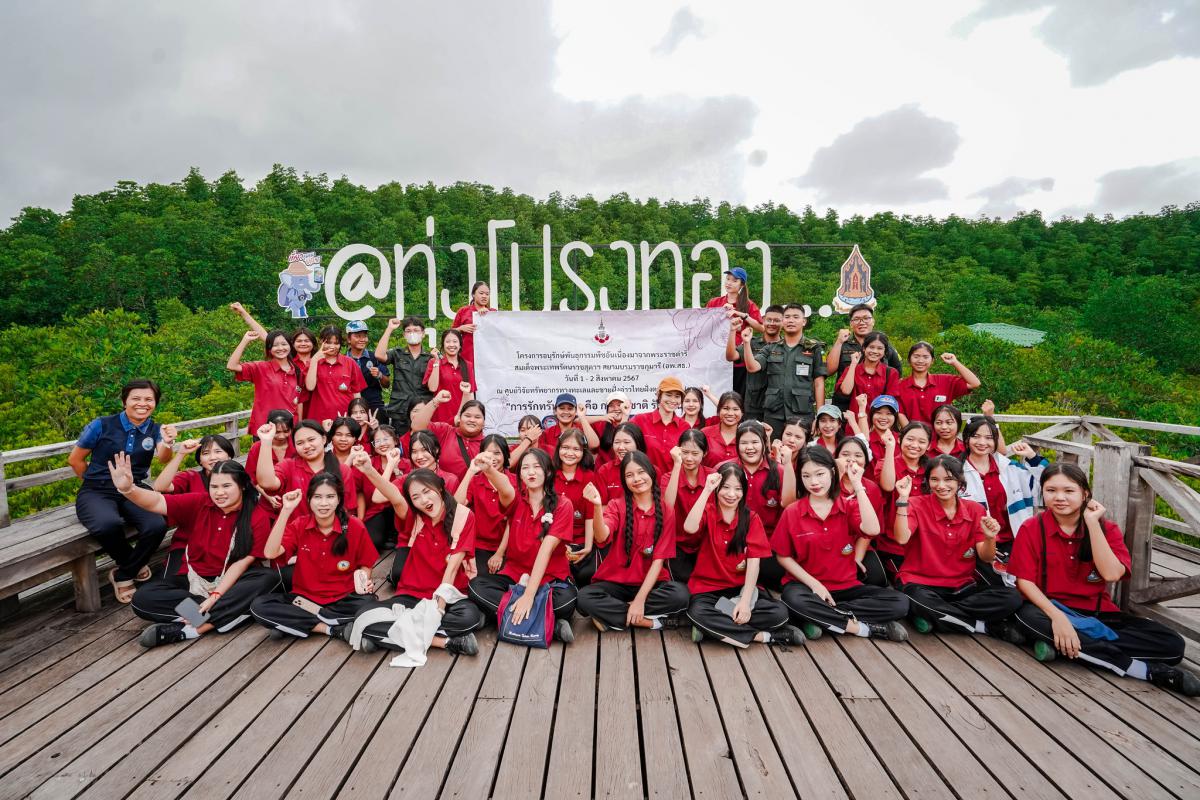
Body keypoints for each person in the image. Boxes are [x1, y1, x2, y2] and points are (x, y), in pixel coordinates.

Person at [1008, 464, 1200, 695]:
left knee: (1172, 646)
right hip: (1050, 610)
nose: (1059, 497)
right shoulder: (1032, 528)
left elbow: (1111, 574)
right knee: (1025, 616)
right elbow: (1025, 582)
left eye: (1069, 491)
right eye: (1051, 490)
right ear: (1043, 492)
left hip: (1098, 615)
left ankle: (1065, 646)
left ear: (1085, 494)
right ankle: (1142, 670)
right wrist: (1059, 618)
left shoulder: (1106, 529)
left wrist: (1092, 524)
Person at [110, 458, 280, 646]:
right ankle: (223, 616)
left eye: (226, 486)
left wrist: (216, 596)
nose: (219, 492)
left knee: (268, 578)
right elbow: (157, 501)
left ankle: (197, 627)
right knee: (143, 598)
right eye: (214, 486)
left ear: (243, 486)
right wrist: (129, 489)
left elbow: (242, 563)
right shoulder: (200, 502)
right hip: (193, 580)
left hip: (232, 583)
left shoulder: (256, 515)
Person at [351, 459, 484, 655]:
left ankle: (385, 637)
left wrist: (437, 611)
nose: (423, 500)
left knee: (469, 617)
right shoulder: (414, 517)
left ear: (440, 488)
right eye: (415, 497)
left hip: (447, 596)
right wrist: (369, 470)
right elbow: (395, 496)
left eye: (427, 491)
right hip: (411, 595)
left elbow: (453, 568)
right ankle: (446, 642)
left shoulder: (463, 516)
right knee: (363, 615)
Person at [773, 448, 909, 641]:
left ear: (832, 472)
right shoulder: (793, 511)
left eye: (820, 474)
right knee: (793, 600)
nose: (814, 482)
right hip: (806, 587)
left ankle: (821, 617)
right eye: (806, 476)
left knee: (900, 602)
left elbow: (872, 530)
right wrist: (814, 584)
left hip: (847, 587)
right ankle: (863, 628)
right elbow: (783, 556)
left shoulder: (847, 506)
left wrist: (858, 485)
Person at [69, 379, 175, 604]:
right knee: (107, 524)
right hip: (97, 490)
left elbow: (164, 458)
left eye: (149, 399)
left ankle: (124, 574)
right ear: (124, 400)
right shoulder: (101, 425)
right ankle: (132, 563)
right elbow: (75, 460)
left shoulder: (155, 429)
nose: (142, 403)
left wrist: (168, 442)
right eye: (136, 398)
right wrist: (96, 482)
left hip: (134, 488)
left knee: (157, 525)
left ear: (155, 403)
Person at [892, 457, 1024, 636]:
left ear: (960, 480)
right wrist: (903, 499)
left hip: (961, 587)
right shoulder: (916, 503)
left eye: (948, 479)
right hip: (919, 584)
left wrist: (989, 537)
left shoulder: (975, 509)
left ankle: (939, 614)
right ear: (927, 481)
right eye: (934, 479)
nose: (941, 485)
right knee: (916, 599)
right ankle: (983, 626)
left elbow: (986, 556)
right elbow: (901, 538)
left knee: (1012, 598)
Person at [467, 448, 578, 644]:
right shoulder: (516, 499)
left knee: (566, 602)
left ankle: (503, 616)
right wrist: (489, 470)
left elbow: (545, 551)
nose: (531, 472)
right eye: (525, 468)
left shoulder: (563, 505)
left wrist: (528, 595)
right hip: (515, 575)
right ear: (519, 475)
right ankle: (550, 625)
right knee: (476, 587)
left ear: (548, 472)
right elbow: (505, 488)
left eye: (537, 467)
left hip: (549, 579)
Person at [683, 464, 801, 647]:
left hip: (741, 589)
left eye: (738, 489)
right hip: (708, 590)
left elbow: (754, 564)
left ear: (744, 491)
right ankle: (765, 637)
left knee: (779, 613)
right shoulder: (708, 511)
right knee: (697, 612)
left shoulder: (751, 518)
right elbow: (689, 527)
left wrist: (745, 603)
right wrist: (707, 490)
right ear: (717, 488)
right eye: (726, 487)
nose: (732, 494)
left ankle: (714, 630)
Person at [250, 475, 379, 641]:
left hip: (344, 598)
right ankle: (332, 629)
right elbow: (270, 553)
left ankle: (294, 624)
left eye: (330, 497)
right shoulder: (299, 525)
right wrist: (286, 511)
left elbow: (366, 564)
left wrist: (364, 582)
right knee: (259, 606)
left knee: (370, 605)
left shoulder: (354, 525)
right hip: (305, 602)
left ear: (339, 499)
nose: (323, 503)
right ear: (309, 499)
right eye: (317, 497)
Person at [579, 451, 690, 631]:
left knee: (680, 595)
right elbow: (601, 536)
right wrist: (597, 506)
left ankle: (613, 617)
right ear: (624, 481)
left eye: (641, 472)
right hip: (616, 583)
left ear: (651, 473)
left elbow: (658, 561)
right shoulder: (616, 505)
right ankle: (650, 622)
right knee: (584, 598)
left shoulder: (665, 510)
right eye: (629, 475)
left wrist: (639, 601)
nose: (637, 479)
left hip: (652, 584)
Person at [960, 417, 1046, 584]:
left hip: (1013, 540)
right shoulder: (957, 472)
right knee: (998, 587)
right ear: (966, 438)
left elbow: (1046, 483)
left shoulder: (1011, 468)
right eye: (976, 436)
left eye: (989, 438)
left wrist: (1032, 456)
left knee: (1029, 583)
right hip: (977, 545)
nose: (982, 442)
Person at [742, 304, 826, 440]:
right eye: (787, 317)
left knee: (802, 450)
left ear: (804, 321)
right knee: (772, 449)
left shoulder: (814, 348)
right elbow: (752, 367)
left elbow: (819, 383)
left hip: (802, 413)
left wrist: (820, 415)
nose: (791, 320)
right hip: (774, 413)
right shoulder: (771, 348)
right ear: (782, 321)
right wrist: (746, 343)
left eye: (795, 317)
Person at [253, 420, 358, 515]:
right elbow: (266, 483)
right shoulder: (288, 466)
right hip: (294, 529)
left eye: (311, 440)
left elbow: (347, 510)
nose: (307, 446)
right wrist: (266, 441)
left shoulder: (343, 470)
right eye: (300, 443)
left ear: (324, 439)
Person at [453, 434, 517, 576]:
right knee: (477, 578)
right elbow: (457, 505)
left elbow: (513, 521)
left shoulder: (515, 481)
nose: (492, 458)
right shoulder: (475, 481)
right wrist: (471, 470)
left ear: (505, 455)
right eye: (487, 453)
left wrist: (499, 553)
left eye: (497, 453)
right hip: (480, 545)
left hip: (508, 547)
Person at [825, 304, 902, 413]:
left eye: (866, 318)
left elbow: (896, 376)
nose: (862, 322)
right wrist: (839, 341)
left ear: (873, 321)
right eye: (856, 319)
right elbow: (828, 370)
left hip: (876, 408)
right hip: (844, 405)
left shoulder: (886, 346)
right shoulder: (843, 344)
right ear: (851, 323)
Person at [662, 430, 714, 583]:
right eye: (684, 452)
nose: (689, 458)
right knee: (682, 583)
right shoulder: (668, 477)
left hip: (706, 545)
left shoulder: (712, 477)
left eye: (695, 453)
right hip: (677, 545)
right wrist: (677, 464)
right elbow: (667, 506)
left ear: (704, 453)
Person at [227, 329, 304, 431]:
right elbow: (232, 366)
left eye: (284, 344)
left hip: (289, 429)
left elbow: (299, 402)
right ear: (269, 349)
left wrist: (300, 426)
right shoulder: (261, 367)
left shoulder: (297, 371)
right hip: (264, 428)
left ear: (290, 346)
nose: (280, 348)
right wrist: (245, 340)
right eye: (275, 345)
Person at [552, 429, 600, 585]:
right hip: (553, 539)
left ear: (583, 452)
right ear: (558, 448)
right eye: (565, 447)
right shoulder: (549, 475)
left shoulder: (589, 476)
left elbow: (590, 514)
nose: (570, 453)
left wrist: (588, 546)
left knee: (587, 573)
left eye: (576, 449)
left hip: (580, 539)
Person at [707, 267, 764, 396]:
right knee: (718, 395)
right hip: (717, 358)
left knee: (737, 397)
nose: (729, 283)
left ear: (741, 285)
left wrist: (742, 314)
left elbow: (761, 327)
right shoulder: (715, 302)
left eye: (734, 280)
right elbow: (704, 324)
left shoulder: (748, 304)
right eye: (727, 279)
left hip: (738, 361)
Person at [374, 316, 433, 437]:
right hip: (400, 410)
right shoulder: (397, 353)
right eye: (408, 331)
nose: (412, 333)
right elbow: (379, 355)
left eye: (416, 330)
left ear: (423, 334)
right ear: (404, 335)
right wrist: (389, 329)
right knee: (401, 444)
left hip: (423, 410)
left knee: (423, 442)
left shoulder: (430, 358)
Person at [896, 343, 979, 426]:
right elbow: (900, 413)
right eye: (916, 356)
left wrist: (954, 362)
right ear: (909, 360)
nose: (920, 361)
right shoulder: (900, 386)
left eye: (925, 357)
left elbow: (974, 383)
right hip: (913, 433)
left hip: (942, 432)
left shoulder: (945, 381)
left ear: (932, 360)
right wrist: (912, 432)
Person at [409, 394, 485, 482]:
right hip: (443, 488)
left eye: (477, 417)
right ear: (459, 418)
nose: (472, 420)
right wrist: (435, 401)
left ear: (484, 422)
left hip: (473, 490)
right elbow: (416, 427)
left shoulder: (487, 444)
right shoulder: (445, 431)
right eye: (467, 416)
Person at [305, 325, 366, 424]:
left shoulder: (350, 363)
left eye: (336, 343)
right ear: (321, 341)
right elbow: (310, 386)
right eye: (328, 342)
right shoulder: (313, 362)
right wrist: (315, 360)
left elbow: (357, 394)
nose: (332, 346)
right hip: (319, 418)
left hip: (345, 418)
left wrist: (358, 416)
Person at [631, 376, 691, 478]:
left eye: (677, 396)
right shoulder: (639, 420)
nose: (673, 400)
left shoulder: (685, 427)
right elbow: (624, 440)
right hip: (645, 482)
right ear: (659, 395)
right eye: (668, 395)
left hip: (674, 482)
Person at [359, 425, 407, 550]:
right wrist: (390, 464)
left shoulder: (407, 464)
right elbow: (372, 495)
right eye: (377, 441)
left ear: (395, 441)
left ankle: (394, 535)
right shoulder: (368, 464)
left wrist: (396, 469)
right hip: (376, 512)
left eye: (386, 439)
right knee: (372, 542)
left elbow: (403, 494)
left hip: (400, 513)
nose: (382, 444)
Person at [738, 304, 783, 423]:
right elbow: (732, 356)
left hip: (777, 407)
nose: (772, 323)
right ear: (763, 320)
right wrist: (734, 332)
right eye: (769, 320)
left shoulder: (786, 347)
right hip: (754, 405)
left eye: (776, 320)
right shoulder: (752, 342)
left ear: (783, 322)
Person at [423, 329, 475, 426]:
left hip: (460, 416)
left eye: (455, 341)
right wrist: (437, 361)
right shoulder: (434, 362)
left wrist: (467, 416)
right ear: (443, 345)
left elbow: (470, 394)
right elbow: (433, 388)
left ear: (460, 344)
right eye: (447, 341)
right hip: (439, 416)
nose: (451, 345)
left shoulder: (467, 365)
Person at [836, 332, 899, 411]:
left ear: (884, 351)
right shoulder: (851, 369)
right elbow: (846, 391)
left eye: (879, 348)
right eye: (871, 347)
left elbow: (891, 401)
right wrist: (853, 364)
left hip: (878, 417)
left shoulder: (891, 373)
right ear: (864, 348)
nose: (875, 351)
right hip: (855, 417)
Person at [153, 435, 235, 495]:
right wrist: (181, 454)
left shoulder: (238, 476)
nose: (212, 457)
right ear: (200, 460)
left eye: (218, 451)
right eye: (206, 453)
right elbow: (160, 487)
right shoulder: (190, 478)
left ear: (229, 456)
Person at [344, 320, 391, 420]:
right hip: (350, 406)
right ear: (348, 339)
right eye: (357, 336)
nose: (362, 339)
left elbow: (387, 384)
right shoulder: (342, 360)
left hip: (374, 405)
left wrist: (380, 375)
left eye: (364, 336)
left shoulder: (376, 357)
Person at [245, 410, 297, 492]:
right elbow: (251, 477)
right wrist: (267, 496)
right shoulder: (257, 447)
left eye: (286, 431)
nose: (281, 436)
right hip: (266, 492)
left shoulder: (297, 445)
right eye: (277, 432)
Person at [596, 422, 646, 502]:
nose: (621, 447)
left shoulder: (650, 470)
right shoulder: (605, 471)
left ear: (638, 443)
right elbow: (601, 504)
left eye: (626, 442)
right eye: (617, 442)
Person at [451, 281, 494, 367]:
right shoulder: (463, 311)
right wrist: (461, 328)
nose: (484, 296)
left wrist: (488, 315)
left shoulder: (493, 313)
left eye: (487, 294)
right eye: (481, 293)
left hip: (488, 359)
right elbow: (450, 333)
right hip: (467, 358)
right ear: (473, 294)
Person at [589, 393, 632, 472]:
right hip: (602, 472)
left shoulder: (634, 424)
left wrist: (625, 416)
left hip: (627, 470)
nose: (616, 409)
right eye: (611, 406)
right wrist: (602, 417)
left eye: (619, 405)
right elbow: (578, 420)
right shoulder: (601, 424)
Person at [701, 391, 744, 467]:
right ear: (718, 411)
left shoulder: (747, 436)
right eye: (725, 408)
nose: (730, 413)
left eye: (735, 409)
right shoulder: (704, 433)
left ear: (742, 413)